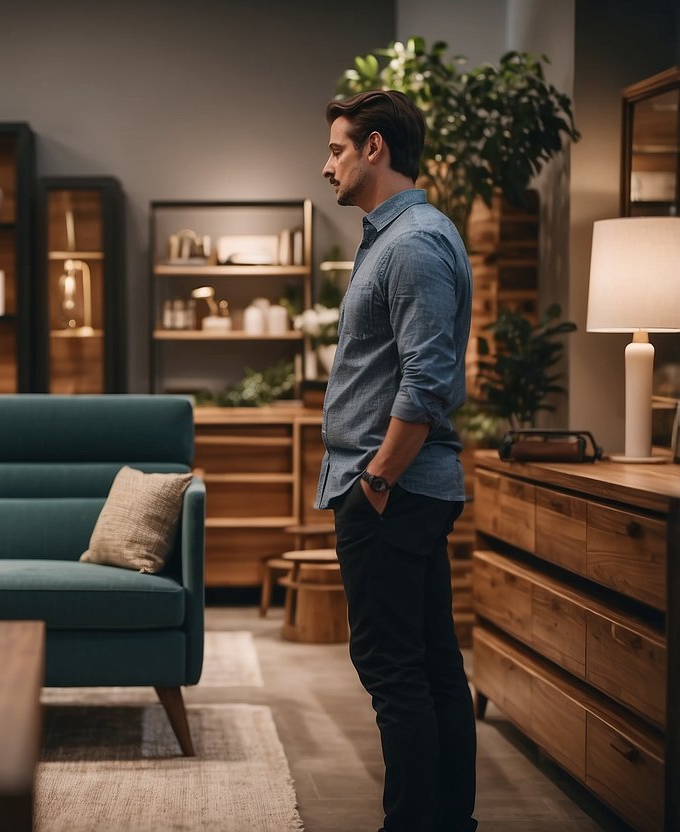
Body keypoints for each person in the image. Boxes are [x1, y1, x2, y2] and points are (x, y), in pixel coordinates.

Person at [317, 89, 477, 832]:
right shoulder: (404, 235)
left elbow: (426, 380)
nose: (327, 167)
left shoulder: (410, 243)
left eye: (337, 149)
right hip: (405, 488)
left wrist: (375, 479)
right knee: (431, 666)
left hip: (392, 489)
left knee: (393, 674)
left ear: (373, 148)